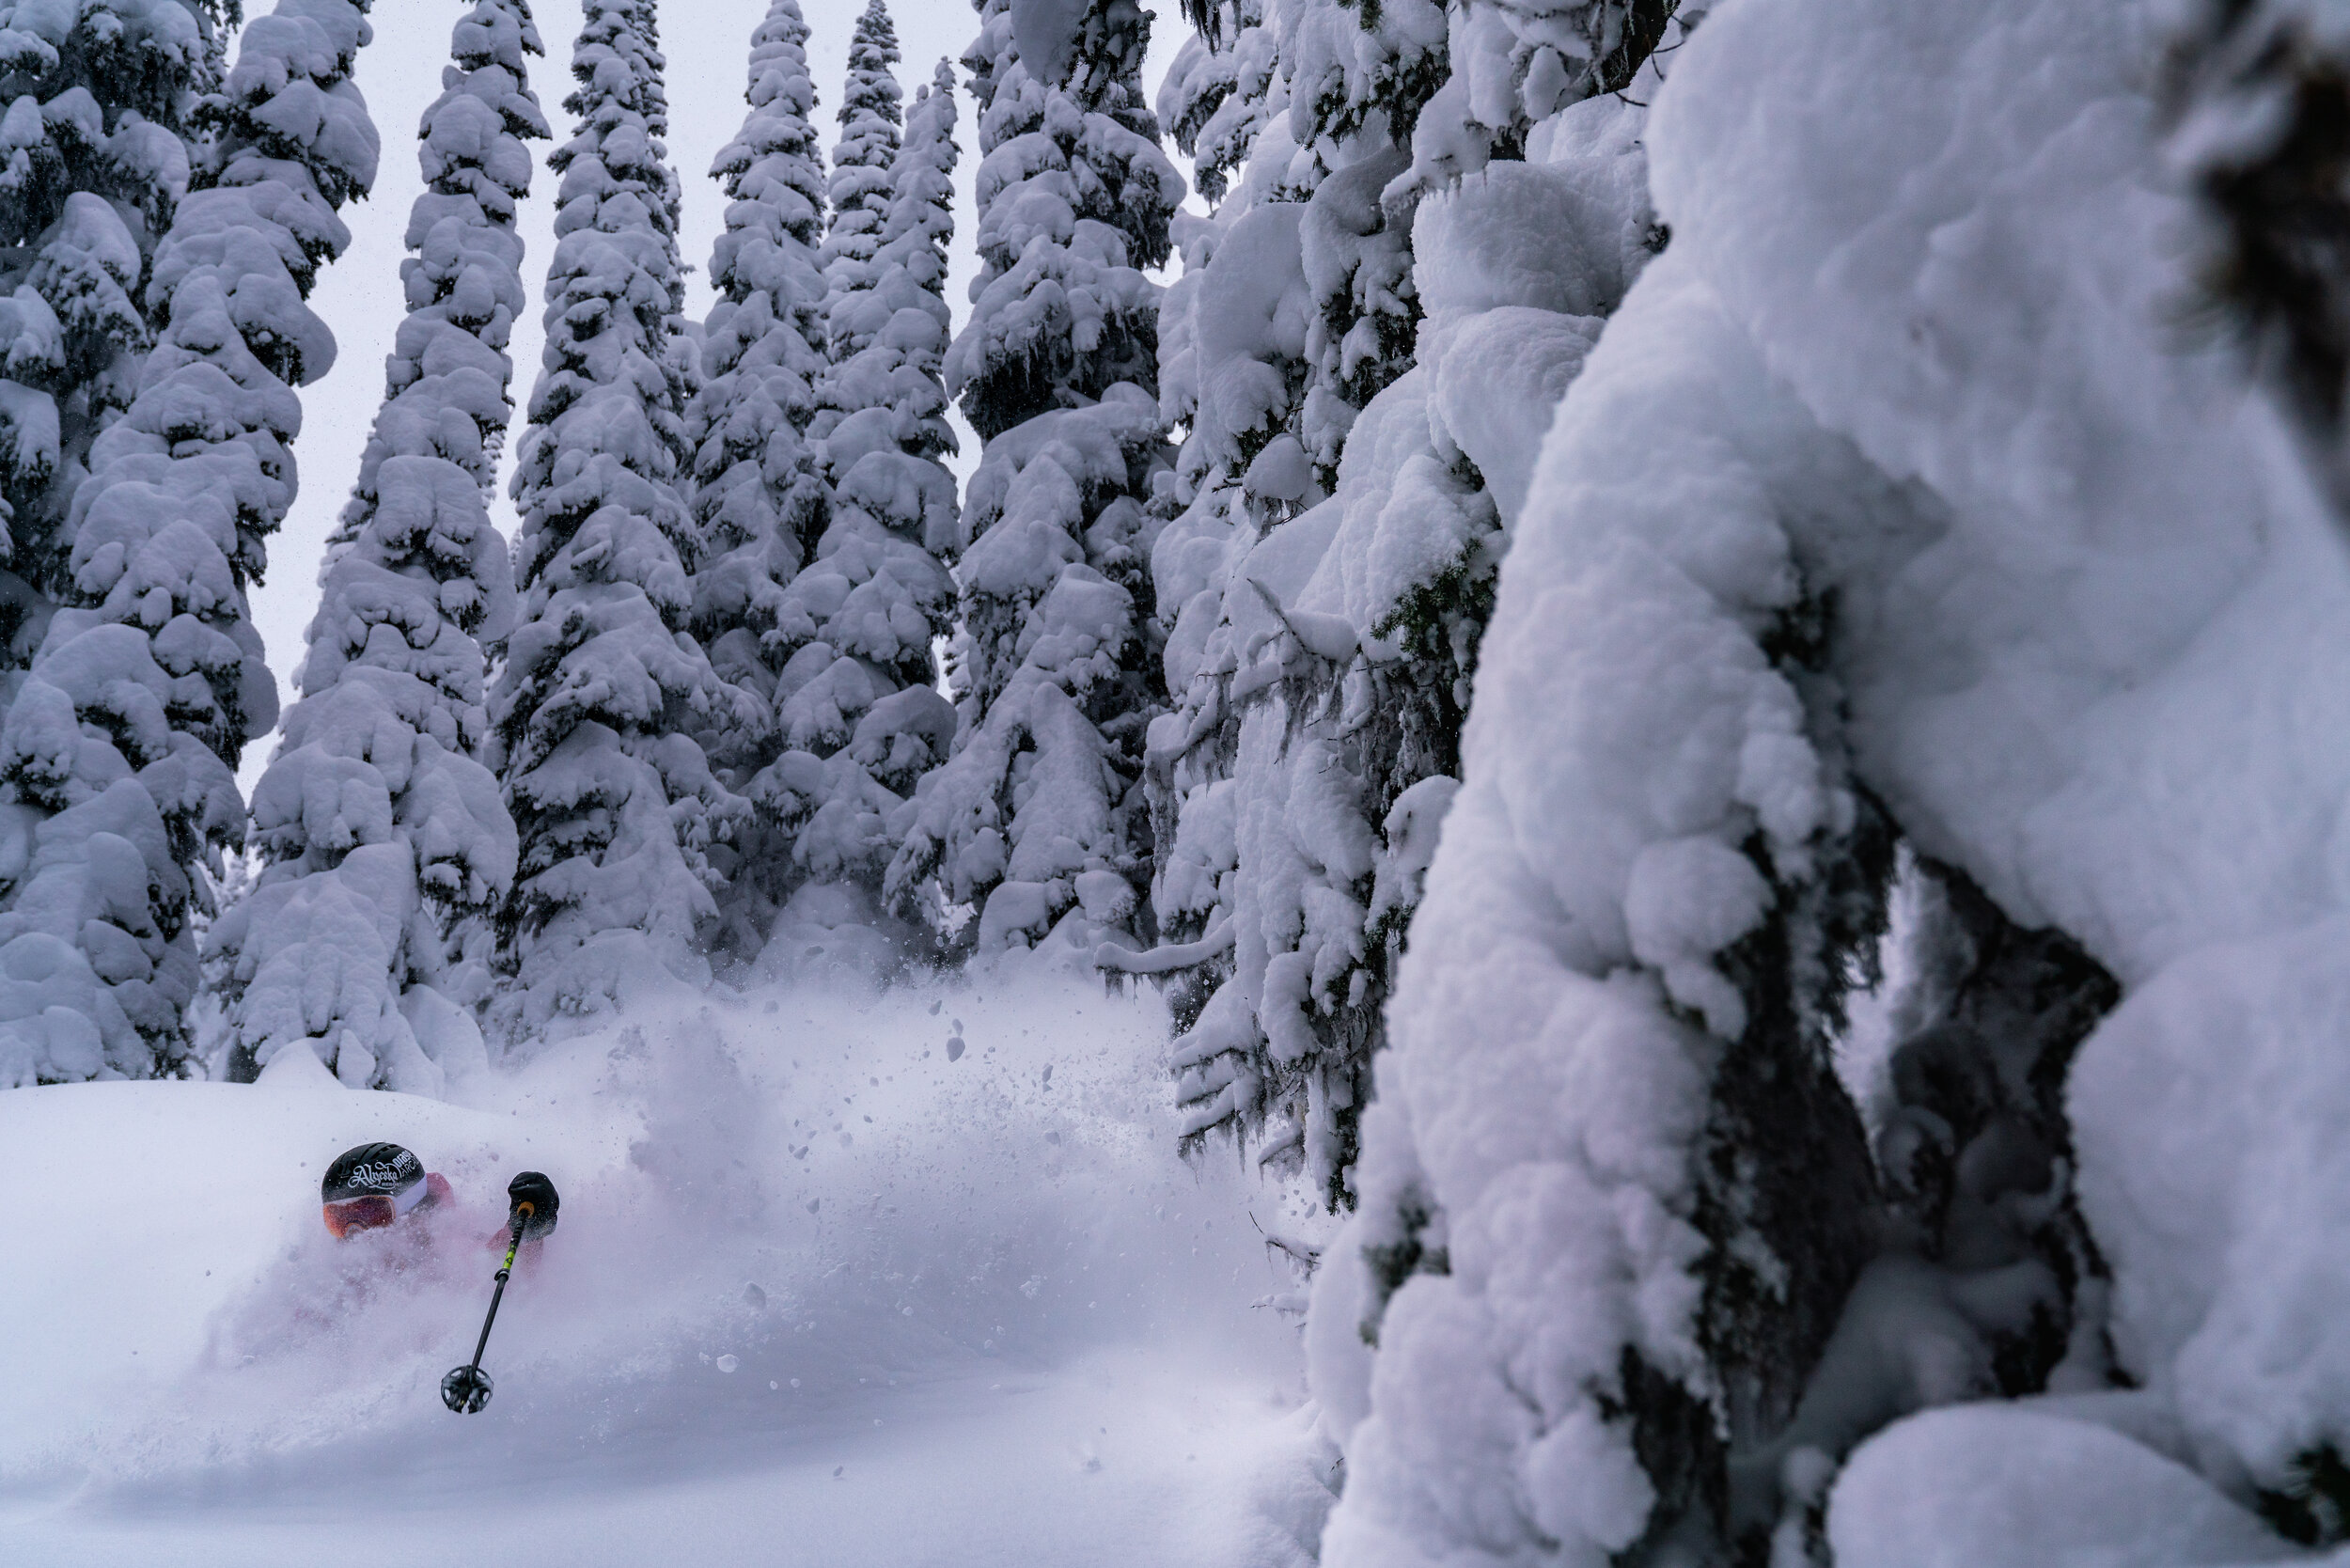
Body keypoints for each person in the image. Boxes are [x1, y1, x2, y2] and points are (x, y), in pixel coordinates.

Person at [320, 1142, 453, 1238]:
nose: (355, 1234)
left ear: (415, 1207)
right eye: (338, 1220)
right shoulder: (328, 1261)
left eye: (371, 1214)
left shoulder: (459, 1252)